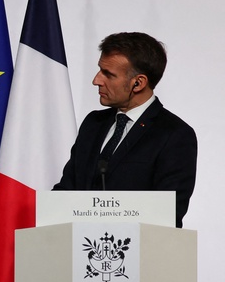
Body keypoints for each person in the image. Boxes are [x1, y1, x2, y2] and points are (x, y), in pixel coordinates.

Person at [53, 32, 197, 227]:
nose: (96, 80)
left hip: (138, 253)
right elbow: (66, 191)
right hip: (75, 250)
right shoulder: (93, 124)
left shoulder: (174, 135)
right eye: (99, 70)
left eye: (108, 74)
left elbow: (168, 213)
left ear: (138, 83)